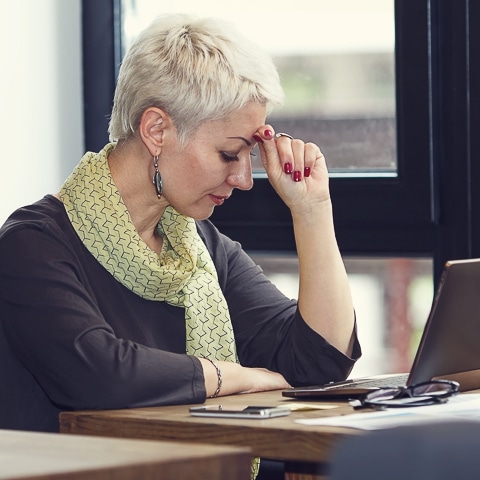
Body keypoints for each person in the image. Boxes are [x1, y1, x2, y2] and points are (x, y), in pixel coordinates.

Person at [0, 13, 360, 470]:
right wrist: (232, 376)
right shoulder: (34, 245)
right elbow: (100, 375)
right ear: (156, 130)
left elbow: (318, 361)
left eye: (248, 156)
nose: (245, 178)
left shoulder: (198, 248)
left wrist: (313, 211)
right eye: (229, 153)